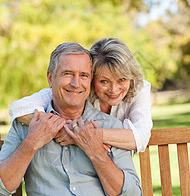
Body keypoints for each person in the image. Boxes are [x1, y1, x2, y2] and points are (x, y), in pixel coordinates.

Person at [0, 42, 175, 196]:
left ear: (90, 82)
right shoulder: (28, 125)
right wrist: (30, 144)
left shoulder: (110, 127)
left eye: (83, 75)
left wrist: (96, 152)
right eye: (67, 73)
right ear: (50, 77)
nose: (76, 83)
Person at [9, 38, 153, 153]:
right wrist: (67, 130)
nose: (114, 89)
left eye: (121, 79)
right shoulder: (78, 90)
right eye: (104, 81)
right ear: (91, 78)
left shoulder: (140, 88)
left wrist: (83, 135)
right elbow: (20, 108)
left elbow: (141, 138)